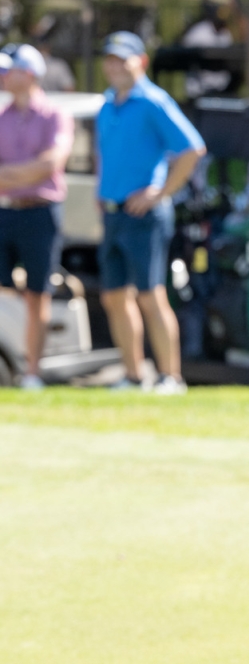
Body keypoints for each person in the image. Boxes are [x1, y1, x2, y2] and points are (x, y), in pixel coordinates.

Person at [95, 31, 206, 395]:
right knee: (114, 296)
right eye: (110, 60)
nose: (115, 66)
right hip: (112, 213)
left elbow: (191, 150)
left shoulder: (154, 101)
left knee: (149, 294)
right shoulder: (107, 104)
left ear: (140, 62)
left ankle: (170, 377)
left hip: (144, 215)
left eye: (122, 60)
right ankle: (132, 374)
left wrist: (160, 193)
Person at [0, 44, 74, 389]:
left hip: (41, 213)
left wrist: (9, 174)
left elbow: (51, 165)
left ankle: (32, 372)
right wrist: (27, 173)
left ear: (28, 74)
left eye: (8, 70)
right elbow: (38, 168)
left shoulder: (54, 115)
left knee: (37, 293)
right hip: (6, 211)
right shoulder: (3, 116)